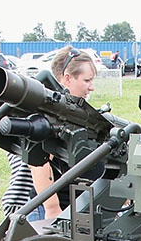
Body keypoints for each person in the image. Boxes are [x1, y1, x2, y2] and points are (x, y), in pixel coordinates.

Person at [24, 46, 97, 220]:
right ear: (67, 78)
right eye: (87, 80)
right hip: (58, 211)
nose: (91, 87)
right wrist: (52, 208)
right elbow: (39, 164)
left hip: (80, 209)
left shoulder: (75, 114)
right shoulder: (53, 115)